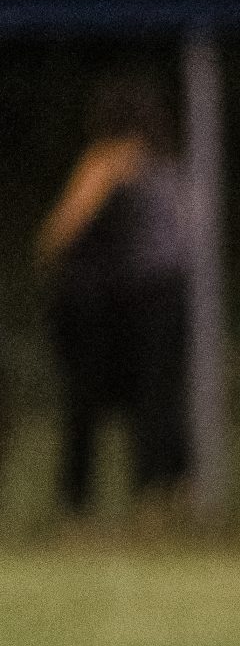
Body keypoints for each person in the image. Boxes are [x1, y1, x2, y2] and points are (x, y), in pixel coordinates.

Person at [35, 73, 191, 515]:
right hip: (159, 302)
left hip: (115, 309)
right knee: (154, 402)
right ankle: (154, 496)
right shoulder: (170, 167)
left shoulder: (107, 163)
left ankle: (83, 501)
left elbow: (56, 237)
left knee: (94, 405)